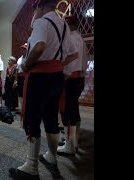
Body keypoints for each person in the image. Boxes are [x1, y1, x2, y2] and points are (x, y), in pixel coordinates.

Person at [8, 0, 78, 179]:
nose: (33, 15)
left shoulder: (41, 22)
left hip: (39, 77)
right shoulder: (64, 25)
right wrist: (57, 65)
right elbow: (73, 53)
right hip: (56, 77)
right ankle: (52, 157)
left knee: (32, 118)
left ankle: (31, 166)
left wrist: (27, 65)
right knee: (50, 118)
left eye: (34, 11)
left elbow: (39, 47)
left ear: (40, 7)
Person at [57, 15, 88, 156]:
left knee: (67, 111)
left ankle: (69, 145)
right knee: (74, 110)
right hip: (77, 77)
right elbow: (84, 61)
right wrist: (82, 76)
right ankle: (73, 141)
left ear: (71, 25)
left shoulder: (70, 37)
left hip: (69, 77)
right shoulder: (80, 38)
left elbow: (70, 59)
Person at [13, 42, 29, 114]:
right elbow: (16, 70)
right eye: (22, 49)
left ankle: (26, 108)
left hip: (26, 77)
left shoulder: (29, 57)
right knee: (20, 93)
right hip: (19, 77)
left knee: (26, 93)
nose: (22, 50)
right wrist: (15, 80)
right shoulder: (19, 59)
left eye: (24, 49)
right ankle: (21, 108)